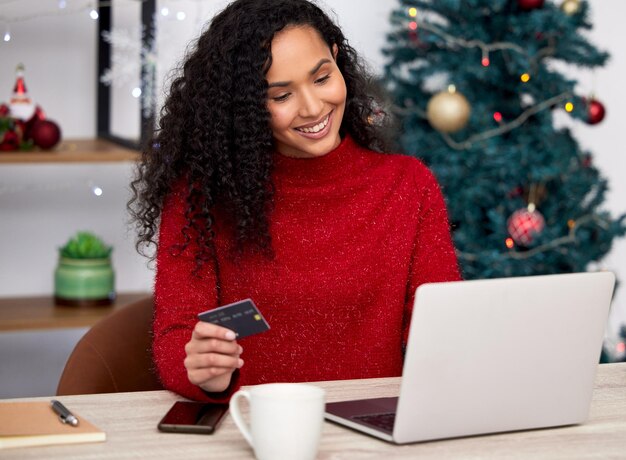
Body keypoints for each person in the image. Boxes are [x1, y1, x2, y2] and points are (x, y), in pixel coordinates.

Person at [129, 0, 461, 402]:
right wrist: (203, 373)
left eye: (321, 78)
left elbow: (439, 333)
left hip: (373, 431)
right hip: (255, 431)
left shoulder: (409, 186)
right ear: (246, 106)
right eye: (281, 95)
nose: (312, 108)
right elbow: (176, 336)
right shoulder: (201, 196)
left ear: (337, 59)